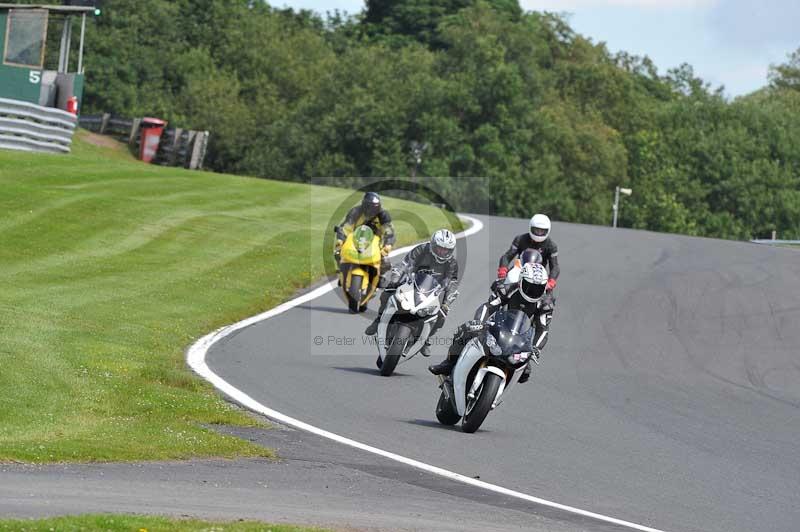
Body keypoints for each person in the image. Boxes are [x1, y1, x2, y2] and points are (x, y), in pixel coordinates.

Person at [428, 262, 553, 383]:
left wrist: (536, 348)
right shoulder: (508, 290)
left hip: (520, 339)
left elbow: (543, 329)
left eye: (538, 288)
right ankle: (449, 363)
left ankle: (496, 395)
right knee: (464, 331)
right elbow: (488, 307)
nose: (533, 291)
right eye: (529, 286)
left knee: (525, 373)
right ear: (521, 281)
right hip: (497, 326)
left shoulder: (545, 304)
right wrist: (479, 323)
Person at [365, 228, 459, 358]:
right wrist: (395, 278)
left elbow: (452, 282)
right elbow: (405, 263)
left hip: (433, 291)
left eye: (446, 250)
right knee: (388, 292)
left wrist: (447, 302)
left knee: (442, 315)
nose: (442, 252)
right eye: (439, 248)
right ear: (433, 245)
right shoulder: (421, 250)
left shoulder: (452, 263)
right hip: (412, 282)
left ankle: (426, 339)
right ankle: (379, 319)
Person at [335, 192, 395, 277]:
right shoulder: (355, 212)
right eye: (369, 207)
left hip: (376, 243)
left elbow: (389, 231)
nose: (372, 210)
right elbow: (346, 227)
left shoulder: (383, 215)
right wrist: (341, 239)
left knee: (385, 262)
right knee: (338, 251)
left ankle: (379, 276)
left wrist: (388, 244)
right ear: (364, 205)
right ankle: (343, 268)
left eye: (375, 208)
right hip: (355, 240)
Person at [496, 214, 559, 294]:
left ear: (547, 230)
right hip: (518, 271)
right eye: (536, 230)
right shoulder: (520, 239)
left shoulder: (551, 246)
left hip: (538, 276)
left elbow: (555, 266)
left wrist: (551, 281)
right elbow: (508, 256)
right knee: (499, 290)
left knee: (547, 304)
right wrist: (502, 270)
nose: (539, 233)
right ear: (531, 228)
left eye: (542, 231)